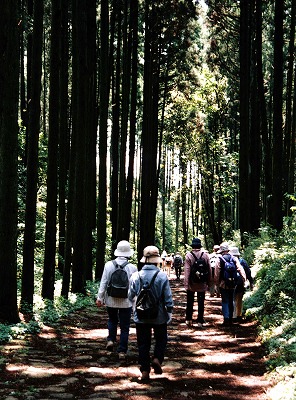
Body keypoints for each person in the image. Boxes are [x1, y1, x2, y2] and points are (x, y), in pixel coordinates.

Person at [129, 245, 173, 381]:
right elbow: (168, 297)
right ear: (157, 260)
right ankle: (157, 358)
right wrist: (169, 311)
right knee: (161, 338)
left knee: (143, 343)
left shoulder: (136, 276)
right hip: (159, 315)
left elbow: (130, 296)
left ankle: (144, 370)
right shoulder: (162, 276)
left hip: (141, 315)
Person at [96, 240, 137, 360]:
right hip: (126, 301)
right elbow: (134, 287)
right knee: (125, 326)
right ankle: (122, 351)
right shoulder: (132, 267)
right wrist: (134, 304)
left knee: (112, 320)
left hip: (111, 299)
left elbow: (104, 282)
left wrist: (100, 298)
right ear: (128, 253)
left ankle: (111, 340)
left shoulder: (108, 265)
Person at [214, 242, 246, 326]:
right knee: (231, 300)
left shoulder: (219, 259)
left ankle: (226, 319)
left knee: (225, 301)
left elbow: (217, 273)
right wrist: (244, 279)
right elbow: (240, 269)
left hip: (223, 284)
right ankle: (231, 319)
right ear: (228, 250)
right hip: (233, 283)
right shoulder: (234, 258)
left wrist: (216, 284)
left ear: (221, 251)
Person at [184, 238, 212, 328]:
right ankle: (200, 320)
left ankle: (189, 319)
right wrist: (209, 282)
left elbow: (187, 271)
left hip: (192, 283)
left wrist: (186, 284)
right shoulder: (205, 255)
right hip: (202, 283)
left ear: (192, 246)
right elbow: (209, 269)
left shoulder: (188, 255)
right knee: (201, 302)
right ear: (200, 246)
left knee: (190, 301)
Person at [230, 246, 254, 322]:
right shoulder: (242, 261)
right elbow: (248, 272)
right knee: (239, 299)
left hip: (230, 282)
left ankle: (232, 316)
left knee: (232, 299)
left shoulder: (228, 261)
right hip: (240, 282)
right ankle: (239, 315)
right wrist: (251, 282)